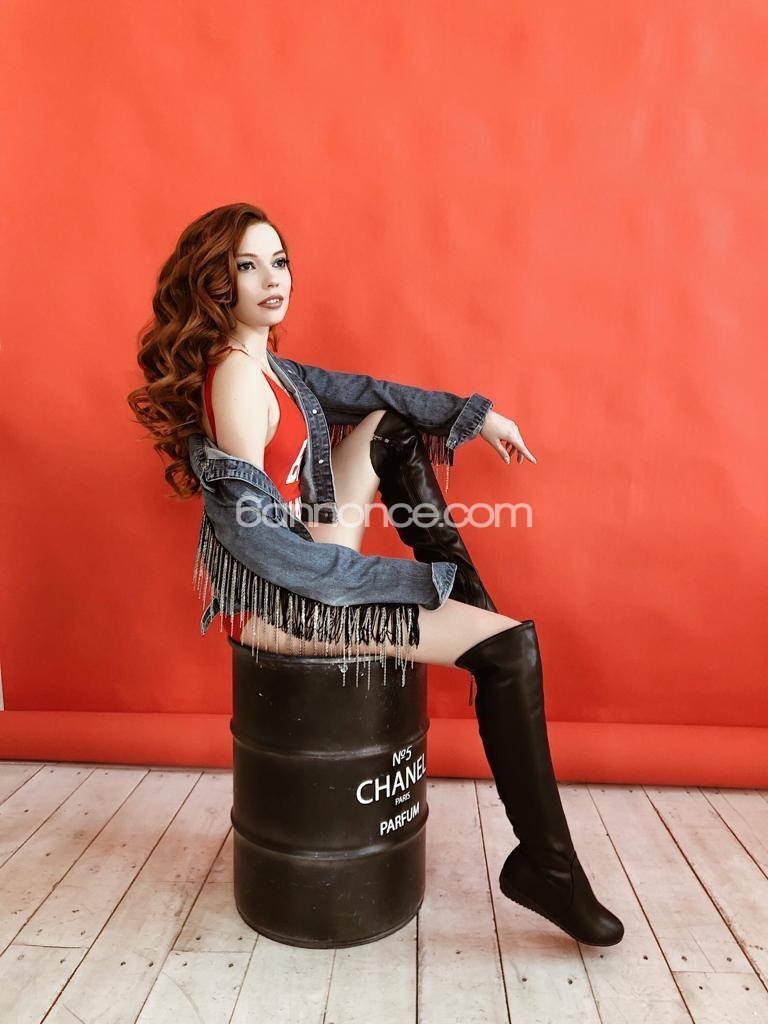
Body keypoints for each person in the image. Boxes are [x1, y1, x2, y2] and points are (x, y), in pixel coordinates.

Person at [127, 202, 624, 947]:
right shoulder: (234, 382)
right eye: (247, 266)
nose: (272, 279)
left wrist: (475, 416)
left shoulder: (272, 368)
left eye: (279, 261)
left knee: (389, 427)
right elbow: (254, 543)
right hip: (279, 600)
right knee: (510, 650)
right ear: (215, 284)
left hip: (307, 555)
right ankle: (547, 867)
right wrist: (388, 582)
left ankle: (475, 620)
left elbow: (369, 393)